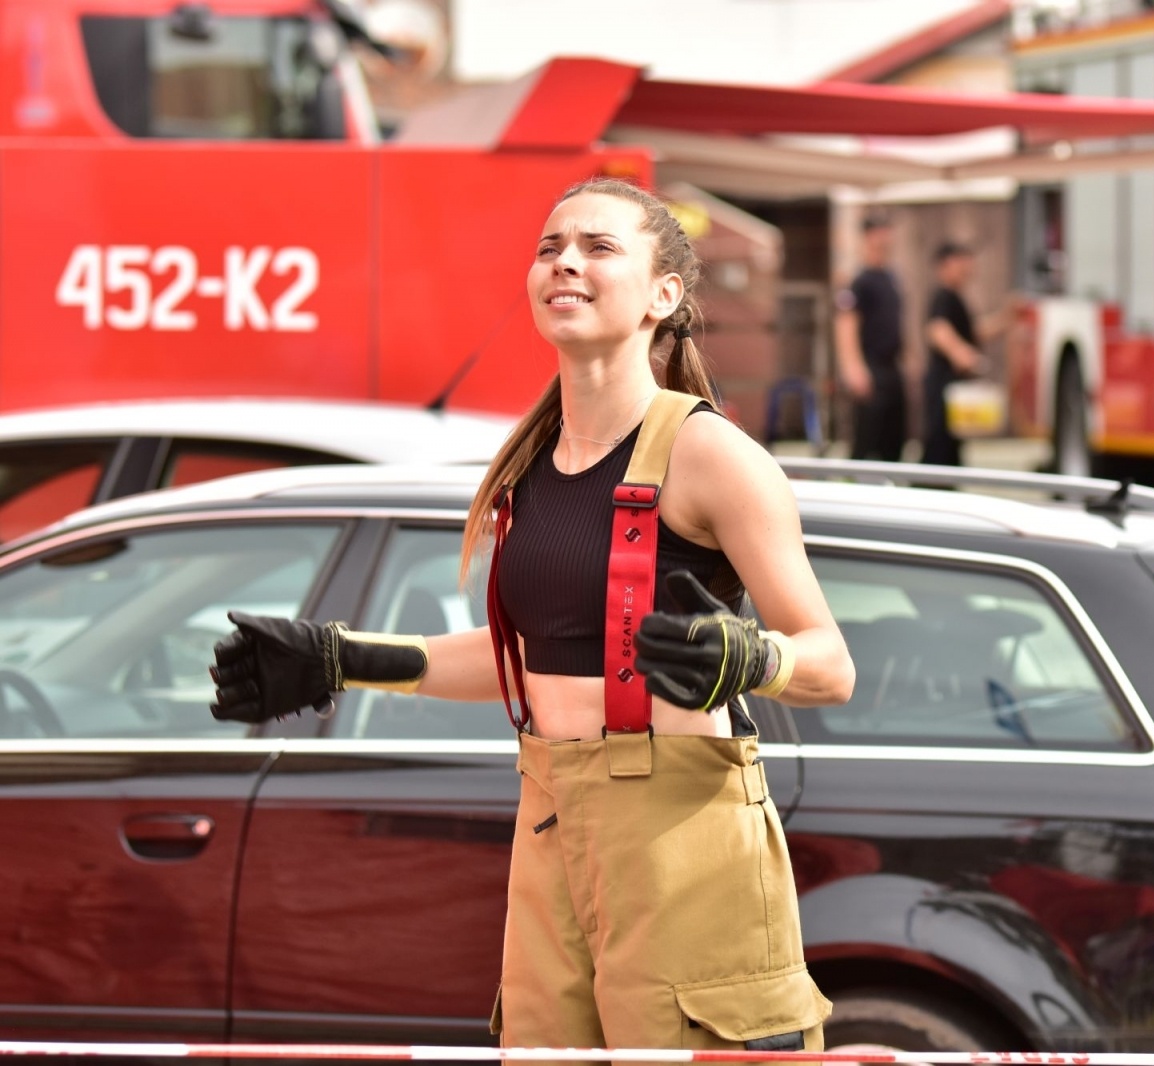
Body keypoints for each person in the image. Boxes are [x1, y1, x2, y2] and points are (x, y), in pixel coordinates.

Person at [206, 177, 856, 1054]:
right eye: (550, 247)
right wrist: (339, 657)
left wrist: (747, 659)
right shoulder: (530, 465)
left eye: (598, 247)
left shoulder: (710, 454)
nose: (566, 263)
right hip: (550, 813)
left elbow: (830, 664)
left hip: (683, 831)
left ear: (664, 296)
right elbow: (527, 660)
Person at [922, 242, 1011, 467]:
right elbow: (937, 330)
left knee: (952, 444)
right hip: (943, 381)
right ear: (945, 264)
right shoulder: (943, 296)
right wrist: (962, 354)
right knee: (939, 444)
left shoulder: (956, 298)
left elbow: (973, 333)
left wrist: (1005, 319)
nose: (967, 268)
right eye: (960, 262)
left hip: (954, 383)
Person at [833, 214, 906, 461]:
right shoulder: (859, 282)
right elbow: (846, 324)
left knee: (894, 437)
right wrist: (853, 368)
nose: (885, 238)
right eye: (879, 232)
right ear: (867, 237)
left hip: (892, 367)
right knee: (866, 438)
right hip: (870, 367)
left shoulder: (890, 278)